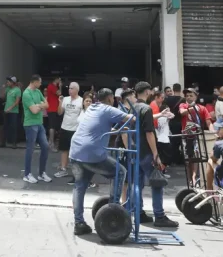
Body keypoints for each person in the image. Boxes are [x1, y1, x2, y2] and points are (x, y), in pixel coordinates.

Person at [68, 88, 132, 235]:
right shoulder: (108, 109)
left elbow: (99, 128)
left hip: (76, 151)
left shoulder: (92, 107)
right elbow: (132, 118)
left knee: (80, 186)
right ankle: (113, 211)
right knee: (120, 171)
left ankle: (79, 222)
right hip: (92, 153)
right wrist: (157, 114)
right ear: (110, 98)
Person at [123, 82, 179, 227]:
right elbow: (149, 132)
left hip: (135, 151)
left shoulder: (132, 107)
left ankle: (138, 213)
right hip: (147, 152)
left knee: (137, 184)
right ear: (147, 92)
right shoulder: (146, 108)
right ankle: (159, 216)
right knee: (157, 183)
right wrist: (155, 154)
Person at [178, 88, 213, 184]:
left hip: (198, 135)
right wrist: (191, 108)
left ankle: (194, 178)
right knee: (188, 159)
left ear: (196, 97)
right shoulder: (183, 105)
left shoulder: (202, 108)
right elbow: (181, 112)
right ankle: (189, 179)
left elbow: (209, 122)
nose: (188, 97)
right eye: (187, 96)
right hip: (186, 135)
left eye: (191, 96)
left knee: (197, 156)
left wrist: (213, 134)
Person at [22, 74, 51, 184]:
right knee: (30, 149)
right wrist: (41, 105)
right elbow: (33, 111)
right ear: (34, 82)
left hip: (39, 123)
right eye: (39, 82)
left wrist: (38, 105)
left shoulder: (38, 92)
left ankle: (41, 173)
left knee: (45, 147)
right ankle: (27, 174)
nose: (40, 84)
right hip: (30, 124)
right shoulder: (26, 93)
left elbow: (47, 105)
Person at [54, 82, 84, 178]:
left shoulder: (81, 101)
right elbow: (59, 113)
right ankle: (63, 169)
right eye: (69, 88)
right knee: (64, 150)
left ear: (76, 90)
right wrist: (59, 102)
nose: (69, 90)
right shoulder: (65, 99)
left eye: (71, 88)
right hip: (64, 127)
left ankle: (77, 171)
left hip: (75, 129)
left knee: (76, 151)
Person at [2, 76, 21, 149]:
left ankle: (14, 143)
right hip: (6, 111)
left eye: (8, 82)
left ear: (13, 82)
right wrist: (3, 89)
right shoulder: (8, 89)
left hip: (14, 111)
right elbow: (3, 97)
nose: (7, 83)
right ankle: (3, 142)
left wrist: (10, 108)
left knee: (13, 127)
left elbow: (17, 101)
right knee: (5, 127)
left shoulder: (17, 90)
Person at [46, 77, 62, 151]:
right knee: (52, 126)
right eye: (59, 79)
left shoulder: (54, 86)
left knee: (54, 126)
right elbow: (59, 93)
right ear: (56, 79)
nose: (60, 81)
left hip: (55, 109)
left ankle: (52, 143)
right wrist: (60, 86)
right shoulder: (51, 86)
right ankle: (51, 143)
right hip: (52, 109)